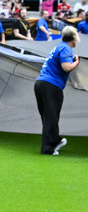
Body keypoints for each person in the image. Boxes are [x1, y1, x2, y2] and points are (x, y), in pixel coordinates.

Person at [35, 26, 81, 154]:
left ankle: (53, 142)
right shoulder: (66, 48)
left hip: (40, 83)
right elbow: (66, 67)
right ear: (73, 38)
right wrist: (77, 62)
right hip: (51, 85)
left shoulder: (59, 47)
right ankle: (49, 147)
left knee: (48, 117)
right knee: (51, 117)